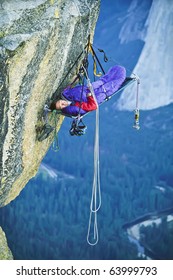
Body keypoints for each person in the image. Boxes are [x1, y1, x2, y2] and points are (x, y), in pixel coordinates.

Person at [50, 64, 126, 117]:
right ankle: (116, 78)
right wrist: (89, 96)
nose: (63, 104)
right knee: (112, 83)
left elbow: (71, 89)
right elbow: (93, 106)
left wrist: (77, 78)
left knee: (109, 76)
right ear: (62, 109)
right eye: (61, 107)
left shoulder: (66, 95)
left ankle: (112, 76)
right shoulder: (75, 108)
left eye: (60, 103)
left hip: (89, 88)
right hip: (96, 95)